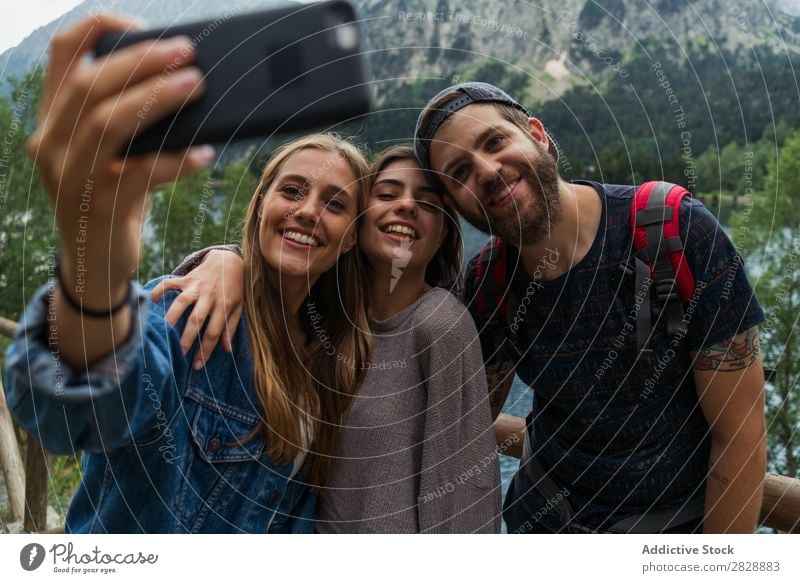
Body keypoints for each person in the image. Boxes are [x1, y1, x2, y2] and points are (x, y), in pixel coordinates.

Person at [3, 16, 372, 533]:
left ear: (353, 235)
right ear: (260, 205)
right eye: (292, 191)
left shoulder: (329, 358)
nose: (309, 211)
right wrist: (98, 273)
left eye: (334, 203)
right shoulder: (191, 310)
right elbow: (68, 414)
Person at [412, 82, 767, 533]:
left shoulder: (672, 229)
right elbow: (461, 430)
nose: (486, 170)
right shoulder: (490, 282)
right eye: (459, 171)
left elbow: (740, 437)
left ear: (538, 135)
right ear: (453, 203)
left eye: (495, 141)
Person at [158, 145, 502, 533]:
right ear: (357, 227)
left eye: (427, 204)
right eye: (387, 194)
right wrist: (226, 259)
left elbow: (465, 495)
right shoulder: (320, 322)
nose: (405, 207)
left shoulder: (440, 325)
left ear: (442, 235)